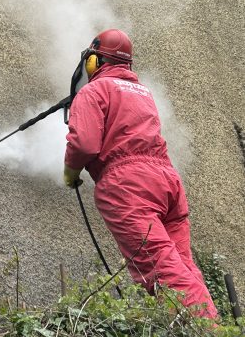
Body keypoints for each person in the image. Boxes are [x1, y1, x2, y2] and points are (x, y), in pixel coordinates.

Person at [63, 29, 218, 318]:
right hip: (167, 182)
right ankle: (212, 326)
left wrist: (70, 171)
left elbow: (84, 143)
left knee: (164, 274)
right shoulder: (143, 93)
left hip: (128, 186)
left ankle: (204, 331)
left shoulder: (94, 91)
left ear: (95, 61)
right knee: (183, 267)